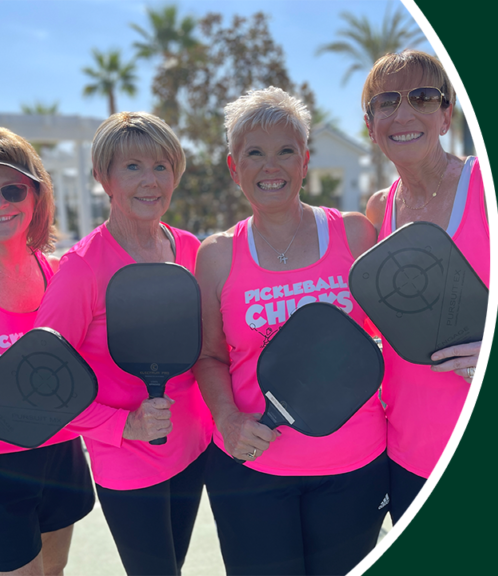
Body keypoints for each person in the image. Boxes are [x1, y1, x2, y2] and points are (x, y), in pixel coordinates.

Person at [194, 86, 386, 576]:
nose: (270, 166)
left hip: (353, 465)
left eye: (285, 151)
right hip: (251, 470)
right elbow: (210, 356)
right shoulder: (216, 256)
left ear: (304, 160)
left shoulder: (355, 234)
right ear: (235, 169)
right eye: (254, 154)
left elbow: (383, 339)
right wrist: (228, 421)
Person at [34, 112, 212, 576]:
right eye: (132, 167)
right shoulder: (81, 268)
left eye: (161, 166)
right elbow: (42, 380)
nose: (151, 181)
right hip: (128, 461)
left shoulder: (191, 249)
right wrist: (122, 426)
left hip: (193, 447)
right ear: (102, 177)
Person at [363, 50, 491, 524]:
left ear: (445, 116)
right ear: (371, 124)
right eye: (386, 102)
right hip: (404, 453)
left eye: (421, 96)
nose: (403, 113)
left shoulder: (486, 187)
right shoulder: (380, 208)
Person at [0, 127, 95, 576]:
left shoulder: (59, 272)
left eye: (13, 189)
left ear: (36, 196)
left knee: (54, 571)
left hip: (60, 453)